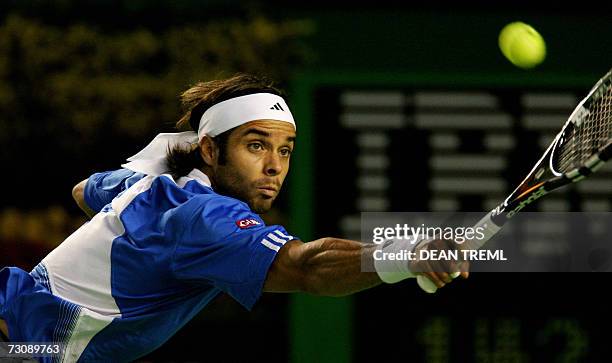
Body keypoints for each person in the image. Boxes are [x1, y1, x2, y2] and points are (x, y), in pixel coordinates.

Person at [0, 74, 467, 362]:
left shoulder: (149, 187)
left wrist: (154, 162)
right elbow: (305, 266)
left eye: (285, 150)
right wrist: (405, 253)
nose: (275, 167)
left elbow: (83, 191)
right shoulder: (207, 219)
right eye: (256, 145)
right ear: (209, 149)